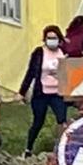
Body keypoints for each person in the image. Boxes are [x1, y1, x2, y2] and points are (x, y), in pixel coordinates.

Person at [21, 25, 67, 156]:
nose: (51, 40)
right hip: (41, 92)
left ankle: (60, 148)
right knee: (38, 121)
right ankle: (28, 148)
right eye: (49, 38)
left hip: (58, 93)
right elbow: (30, 72)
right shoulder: (39, 52)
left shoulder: (63, 52)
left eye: (54, 38)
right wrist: (22, 92)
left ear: (59, 39)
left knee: (61, 120)